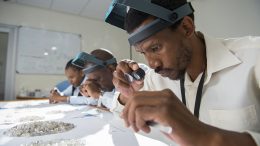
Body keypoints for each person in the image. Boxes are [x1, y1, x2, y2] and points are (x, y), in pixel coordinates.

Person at [106, 0, 260, 146]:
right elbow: (120, 122)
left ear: (186, 27)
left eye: (155, 48)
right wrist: (127, 96)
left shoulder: (255, 57)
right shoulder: (156, 78)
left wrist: (207, 138)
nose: (152, 64)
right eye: (143, 53)